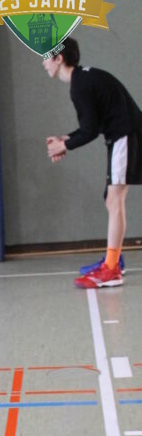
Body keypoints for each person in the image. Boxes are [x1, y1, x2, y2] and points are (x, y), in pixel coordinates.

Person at [43, 36, 142, 289]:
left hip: (126, 135)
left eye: (46, 57)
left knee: (115, 200)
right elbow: (93, 125)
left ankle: (111, 269)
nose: (43, 63)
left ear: (59, 58)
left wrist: (64, 145)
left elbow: (88, 131)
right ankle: (114, 259)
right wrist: (65, 140)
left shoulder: (80, 85)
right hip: (121, 135)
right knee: (111, 200)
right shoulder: (83, 80)